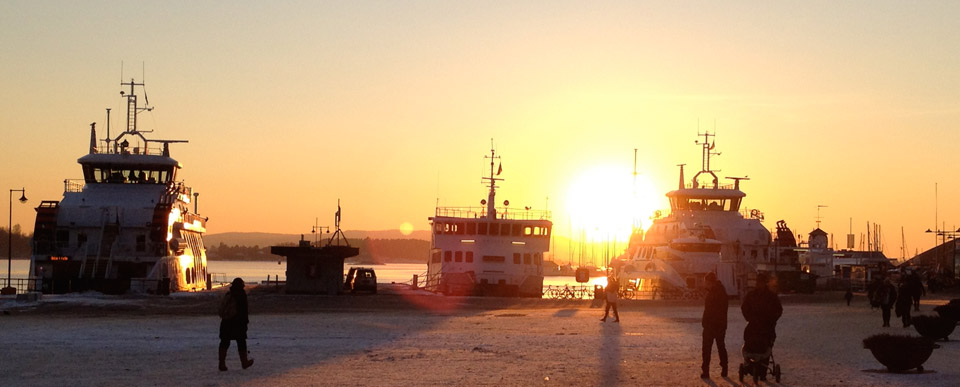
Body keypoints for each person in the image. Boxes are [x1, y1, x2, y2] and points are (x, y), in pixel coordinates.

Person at [741, 272, 782, 380]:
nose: (759, 284)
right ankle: (751, 367)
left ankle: (762, 371)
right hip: (754, 326)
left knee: (765, 347)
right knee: (752, 343)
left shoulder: (771, 296)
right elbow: (744, 308)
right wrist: (749, 318)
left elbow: (778, 310)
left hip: (766, 327)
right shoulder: (752, 295)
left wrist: (772, 320)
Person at [219, 278, 254, 371]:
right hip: (238, 323)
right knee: (241, 342)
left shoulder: (228, 295)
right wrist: (245, 322)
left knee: (224, 342)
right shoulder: (241, 295)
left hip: (226, 322)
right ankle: (244, 362)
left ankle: (221, 363)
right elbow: (244, 311)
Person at [701, 272, 728, 379]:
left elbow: (712, 310)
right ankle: (723, 368)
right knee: (720, 347)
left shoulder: (716, 292)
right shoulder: (719, 291)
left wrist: (706, 322)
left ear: (710, 282)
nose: (704, 284)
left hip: (713, 325)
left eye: (706, 282)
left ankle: (707, 370)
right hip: (717, 324)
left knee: (708, 349)